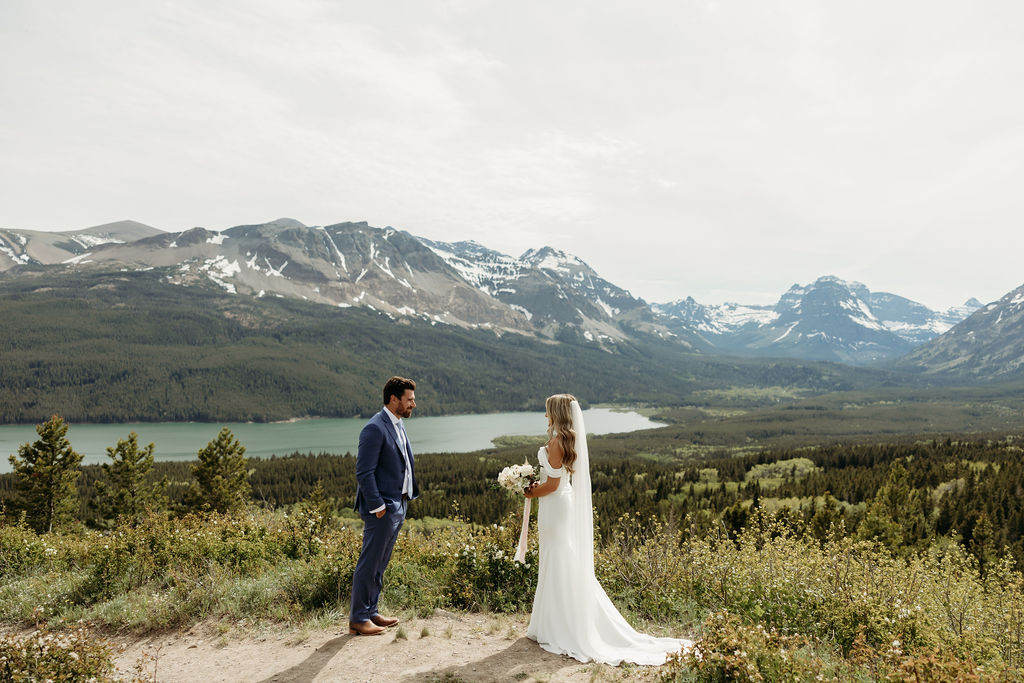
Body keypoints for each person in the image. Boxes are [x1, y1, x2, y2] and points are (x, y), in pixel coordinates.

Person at [523, 394, 691, 665]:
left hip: (554, 505)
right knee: (558, 556)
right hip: (558, 504)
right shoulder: (567, 439)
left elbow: (552, 485)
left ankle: (560, 626)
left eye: (547, 411)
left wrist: (529, 492)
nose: (545, 416)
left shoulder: (556, 442)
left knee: (557, 556)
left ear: (556, 412)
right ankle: (552, 621)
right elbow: (557, 480)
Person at [349, 376, 419, 636]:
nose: (414, 404)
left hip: (398, 505)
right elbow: (363, 472)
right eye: (409, 399)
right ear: (394, 399)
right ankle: (357, 617)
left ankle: (371, 611)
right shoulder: (374, 428)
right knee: (369, 562)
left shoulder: (398, 424)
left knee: (381, 563)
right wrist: (378, 506)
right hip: (382, 509)